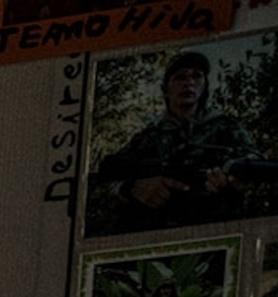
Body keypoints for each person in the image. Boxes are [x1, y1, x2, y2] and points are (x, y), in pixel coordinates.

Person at [93, 51, 260, 232]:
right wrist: (131, 188)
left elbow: (253, 162)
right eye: (180, 77)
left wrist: (233, 178)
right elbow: (104, 181)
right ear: (165, 89)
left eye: (196, 76)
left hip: (214, 231)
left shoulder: (226, 127)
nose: (189, 82)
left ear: (205, 86)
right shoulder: (148, 138)